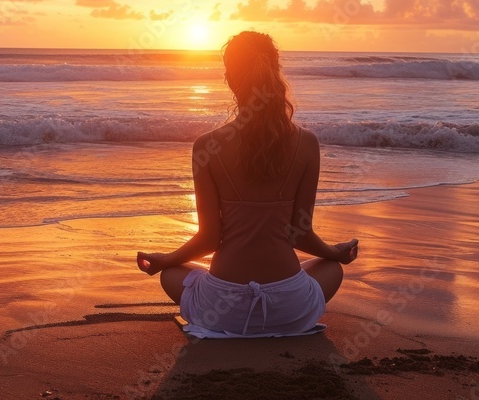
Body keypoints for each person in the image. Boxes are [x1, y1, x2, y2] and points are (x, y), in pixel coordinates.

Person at [137, 31, 359, 336]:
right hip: (289, 307)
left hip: (221, 311)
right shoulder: (307, 144)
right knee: (330, 269)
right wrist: (336, 252)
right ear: (276, 71)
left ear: (229, 78)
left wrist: (165, 260)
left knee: (171, 274)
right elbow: (301, 234)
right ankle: (281, 318)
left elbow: (209, 239)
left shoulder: (206, 146)